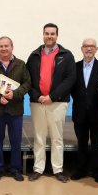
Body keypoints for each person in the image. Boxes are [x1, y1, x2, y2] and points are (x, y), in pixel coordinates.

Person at [26, 23, 75, 183]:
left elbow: (70, 79)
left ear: (57, 35)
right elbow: (28, 80)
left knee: (57, 138)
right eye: (47, 33)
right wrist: (38, 96)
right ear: (43, 35)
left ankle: (58, 169)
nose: (49, 36)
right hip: (37, 103)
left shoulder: (66, 55)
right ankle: (38, 168)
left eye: (52, 34)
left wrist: (52, 96)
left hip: (57, 103)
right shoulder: (34, 55)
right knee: (39, 137)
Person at [0, 36, 31, 182]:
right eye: (1, 46)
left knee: (16, 142)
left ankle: (15, 169)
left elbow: (27, 83)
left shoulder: (21, 64)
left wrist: (14, 94)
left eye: (6, 46)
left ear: (12, 47)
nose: (3, 48)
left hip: (15, 110)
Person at [70, 38, 98, 183]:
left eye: (92, 46)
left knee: (97, 144)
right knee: (82, 143)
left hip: (97, 113)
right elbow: (72, 88)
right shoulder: (74, 67)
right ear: (82, 48)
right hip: (79, 112)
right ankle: (81, 169)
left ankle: (97, 170)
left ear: (96, 49)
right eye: (86, 46)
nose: (89, 49)